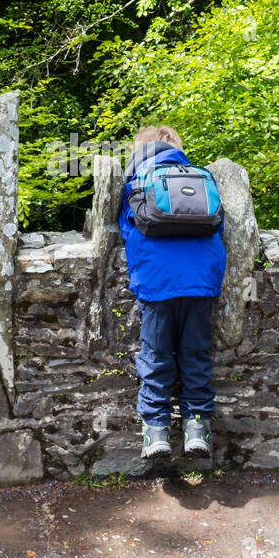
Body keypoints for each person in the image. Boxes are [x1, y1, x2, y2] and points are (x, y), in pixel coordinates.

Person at [116, 125, 226, 460]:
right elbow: (219, 223)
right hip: (202, 280)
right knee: (196, 354)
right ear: (177, 147)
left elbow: (125, 228)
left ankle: (157, 432)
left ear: (140, 148)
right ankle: (197, 429)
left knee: (156, 355)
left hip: (157, 279)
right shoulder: (198, 177)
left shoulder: (137, 180)